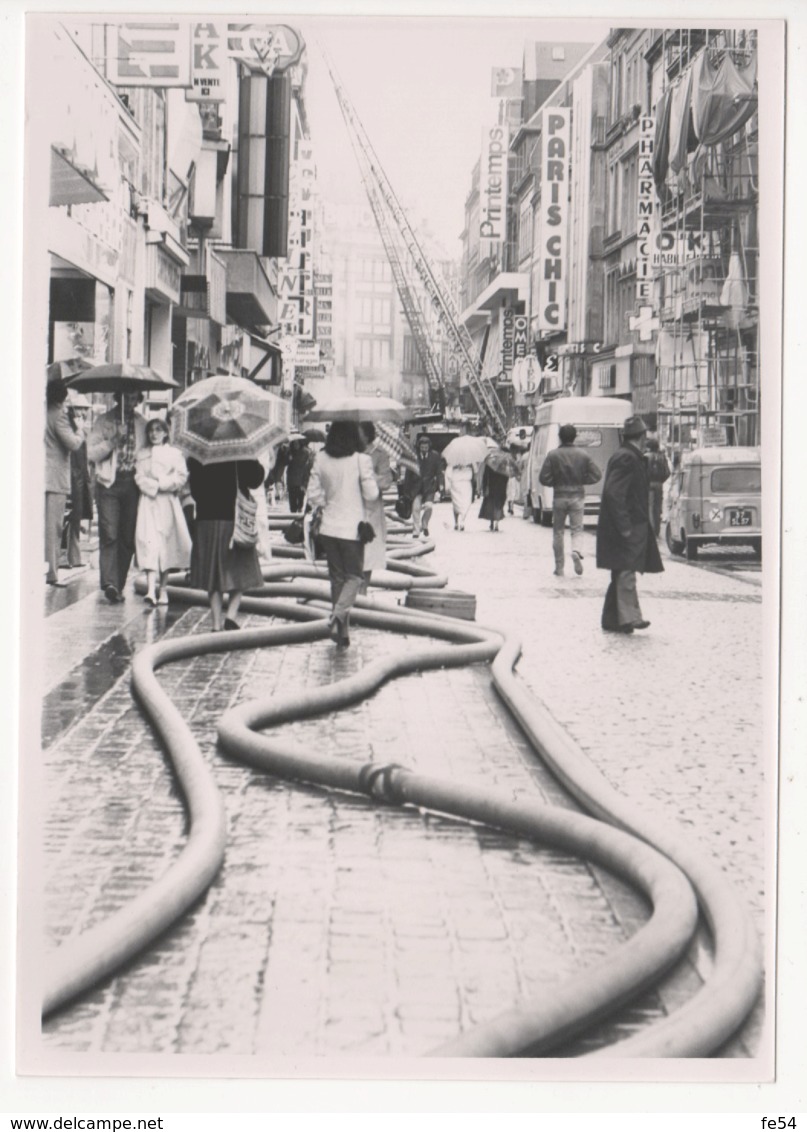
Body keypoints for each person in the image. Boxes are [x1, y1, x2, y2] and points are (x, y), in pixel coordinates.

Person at [307, 420, 379, 647]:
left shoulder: (321, 458)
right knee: (355, 577)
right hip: (353, 529)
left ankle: (342, 632)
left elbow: (313, 494)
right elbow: (371, 494)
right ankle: (337, 615)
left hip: (328, 528)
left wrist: (326, 503)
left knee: (337, 578)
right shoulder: (361, 460)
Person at [595, 415, 664, 633]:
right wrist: (624, 525)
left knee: (622, 571)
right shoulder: (627, 458)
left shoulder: (628, 456)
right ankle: (629, 618)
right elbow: (614, 493)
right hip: (626, 526)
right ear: (642, 436)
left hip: (626, 524)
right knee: (626, 571)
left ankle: (614, 619)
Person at [187, 457, 266, 632]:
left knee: (213, 573)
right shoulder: (240, 453)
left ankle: (215, 624)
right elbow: (255, 480)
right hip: (234, 519)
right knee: (241, 569)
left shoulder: (199, 454)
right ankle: (230, 616)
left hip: (206, 519)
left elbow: (195, 492)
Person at [87, 391, 149, 603]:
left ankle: (119, 584)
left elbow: (148, 452)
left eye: (133, 398)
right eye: (126, 398)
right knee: (109, 532)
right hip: (109, 483)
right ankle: (109, 582)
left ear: (138, 400)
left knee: (127, 537)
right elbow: (90, 452)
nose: (129, 402)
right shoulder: (103, 421)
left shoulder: (142, 423)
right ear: (118, 398)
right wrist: (113, 441)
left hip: (132, 484)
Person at [134, 418, 193, 606]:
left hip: (167, 502)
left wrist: (163, 484)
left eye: (159, 430)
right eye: (151, 430)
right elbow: (139, 477)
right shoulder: (142, 454)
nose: (154, 434)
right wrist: (152, 486)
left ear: (166, 433)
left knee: (166, 543)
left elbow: (181, 476)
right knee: (149, 542)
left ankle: (164, 588)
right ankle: (151, 589)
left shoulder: (174, 454)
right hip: (148, 502)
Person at [538, 423, 602, 576]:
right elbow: (597, 475)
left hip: (559, 496)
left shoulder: (553, 455)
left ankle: (559, 567)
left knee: (558, 532)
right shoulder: (583, 455)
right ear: (575, 437)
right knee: (577, 529)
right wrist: (582, 480)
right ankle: (576, 550)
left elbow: (543, 478)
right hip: (577, 496)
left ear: (560, 437)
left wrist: (555, 482)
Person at [44, 378, 87, 586]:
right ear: (61, 397)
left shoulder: (39, 411)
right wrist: (80, 429)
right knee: (54, 527)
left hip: (40, 476)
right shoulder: (59, 416)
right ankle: (52, 572)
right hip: (55, 478)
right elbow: (72, 443)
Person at [357, 420, 394, 592]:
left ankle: (363, 590)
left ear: (367, 434)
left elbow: (386, 481)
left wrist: (368, 478)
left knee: (369, 552)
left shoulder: (380, 455)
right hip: (353, 505)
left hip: (372, 509)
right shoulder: (351, 453)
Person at [63, 395, 93, 569]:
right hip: (72, 476)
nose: (83, 412)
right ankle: (68, 557)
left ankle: (74, 556)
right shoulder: (70, 427)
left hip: (79, 476)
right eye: (80, 408)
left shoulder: (81, 428)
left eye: (85, 409)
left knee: (76, 518)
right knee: (70, 517)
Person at [402, 435, 442, 539]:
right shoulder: (414, 456)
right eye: (422, 447)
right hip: (416, 487)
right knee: (416, 509)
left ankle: (424, 523)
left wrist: (441, 485)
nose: (424, 449)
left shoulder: (435, 456)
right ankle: (416, 531)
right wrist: (406, 490)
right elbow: (408, 473)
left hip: (429, 487)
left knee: (429, 507)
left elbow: (439, 473)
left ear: (429, 446)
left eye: (426, 447)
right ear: (419, 446)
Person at [644, 435, 671, 537]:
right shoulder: (662, 457)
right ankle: (657, 530)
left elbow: (642, 472)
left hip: (649, 484)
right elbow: (667, 472)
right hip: (659, 484)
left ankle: (651, 531)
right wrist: (661, 481)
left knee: (649, 507)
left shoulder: (645, 457)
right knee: (657, 508)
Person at [478, 451, 510, 532]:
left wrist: (484, 487)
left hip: (492, 487)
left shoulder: (489, 464)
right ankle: (497, 523)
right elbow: (507, 478)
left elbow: (485, 477)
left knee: (491, 505)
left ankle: (492, 522)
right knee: (499, 506)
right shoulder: (504, 465)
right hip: (501, 488)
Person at [285, 438, 312, 513]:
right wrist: (288, 458)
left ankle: (299, 511)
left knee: (300, 498)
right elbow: (285, 463)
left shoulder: (306, 452)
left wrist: (305, 482)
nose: (296, 445)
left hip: (301, 479)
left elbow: (307, 467)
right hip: (291, 480)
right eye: (294, 444)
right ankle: (293, 513)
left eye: (297, 443)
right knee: (292, 499)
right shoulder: (290, 452)